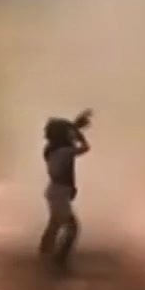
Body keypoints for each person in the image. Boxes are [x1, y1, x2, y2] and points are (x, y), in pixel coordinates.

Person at [38, 112, 91, 271]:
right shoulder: (65, 151)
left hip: (56, 191)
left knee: (55, 224)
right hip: (60, 192)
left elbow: (65, 139)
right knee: (72, 227)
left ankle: (45, 254)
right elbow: (85, 147)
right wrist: (78, 131)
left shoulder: (52, 149)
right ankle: (59, 259)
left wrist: (73, 127)